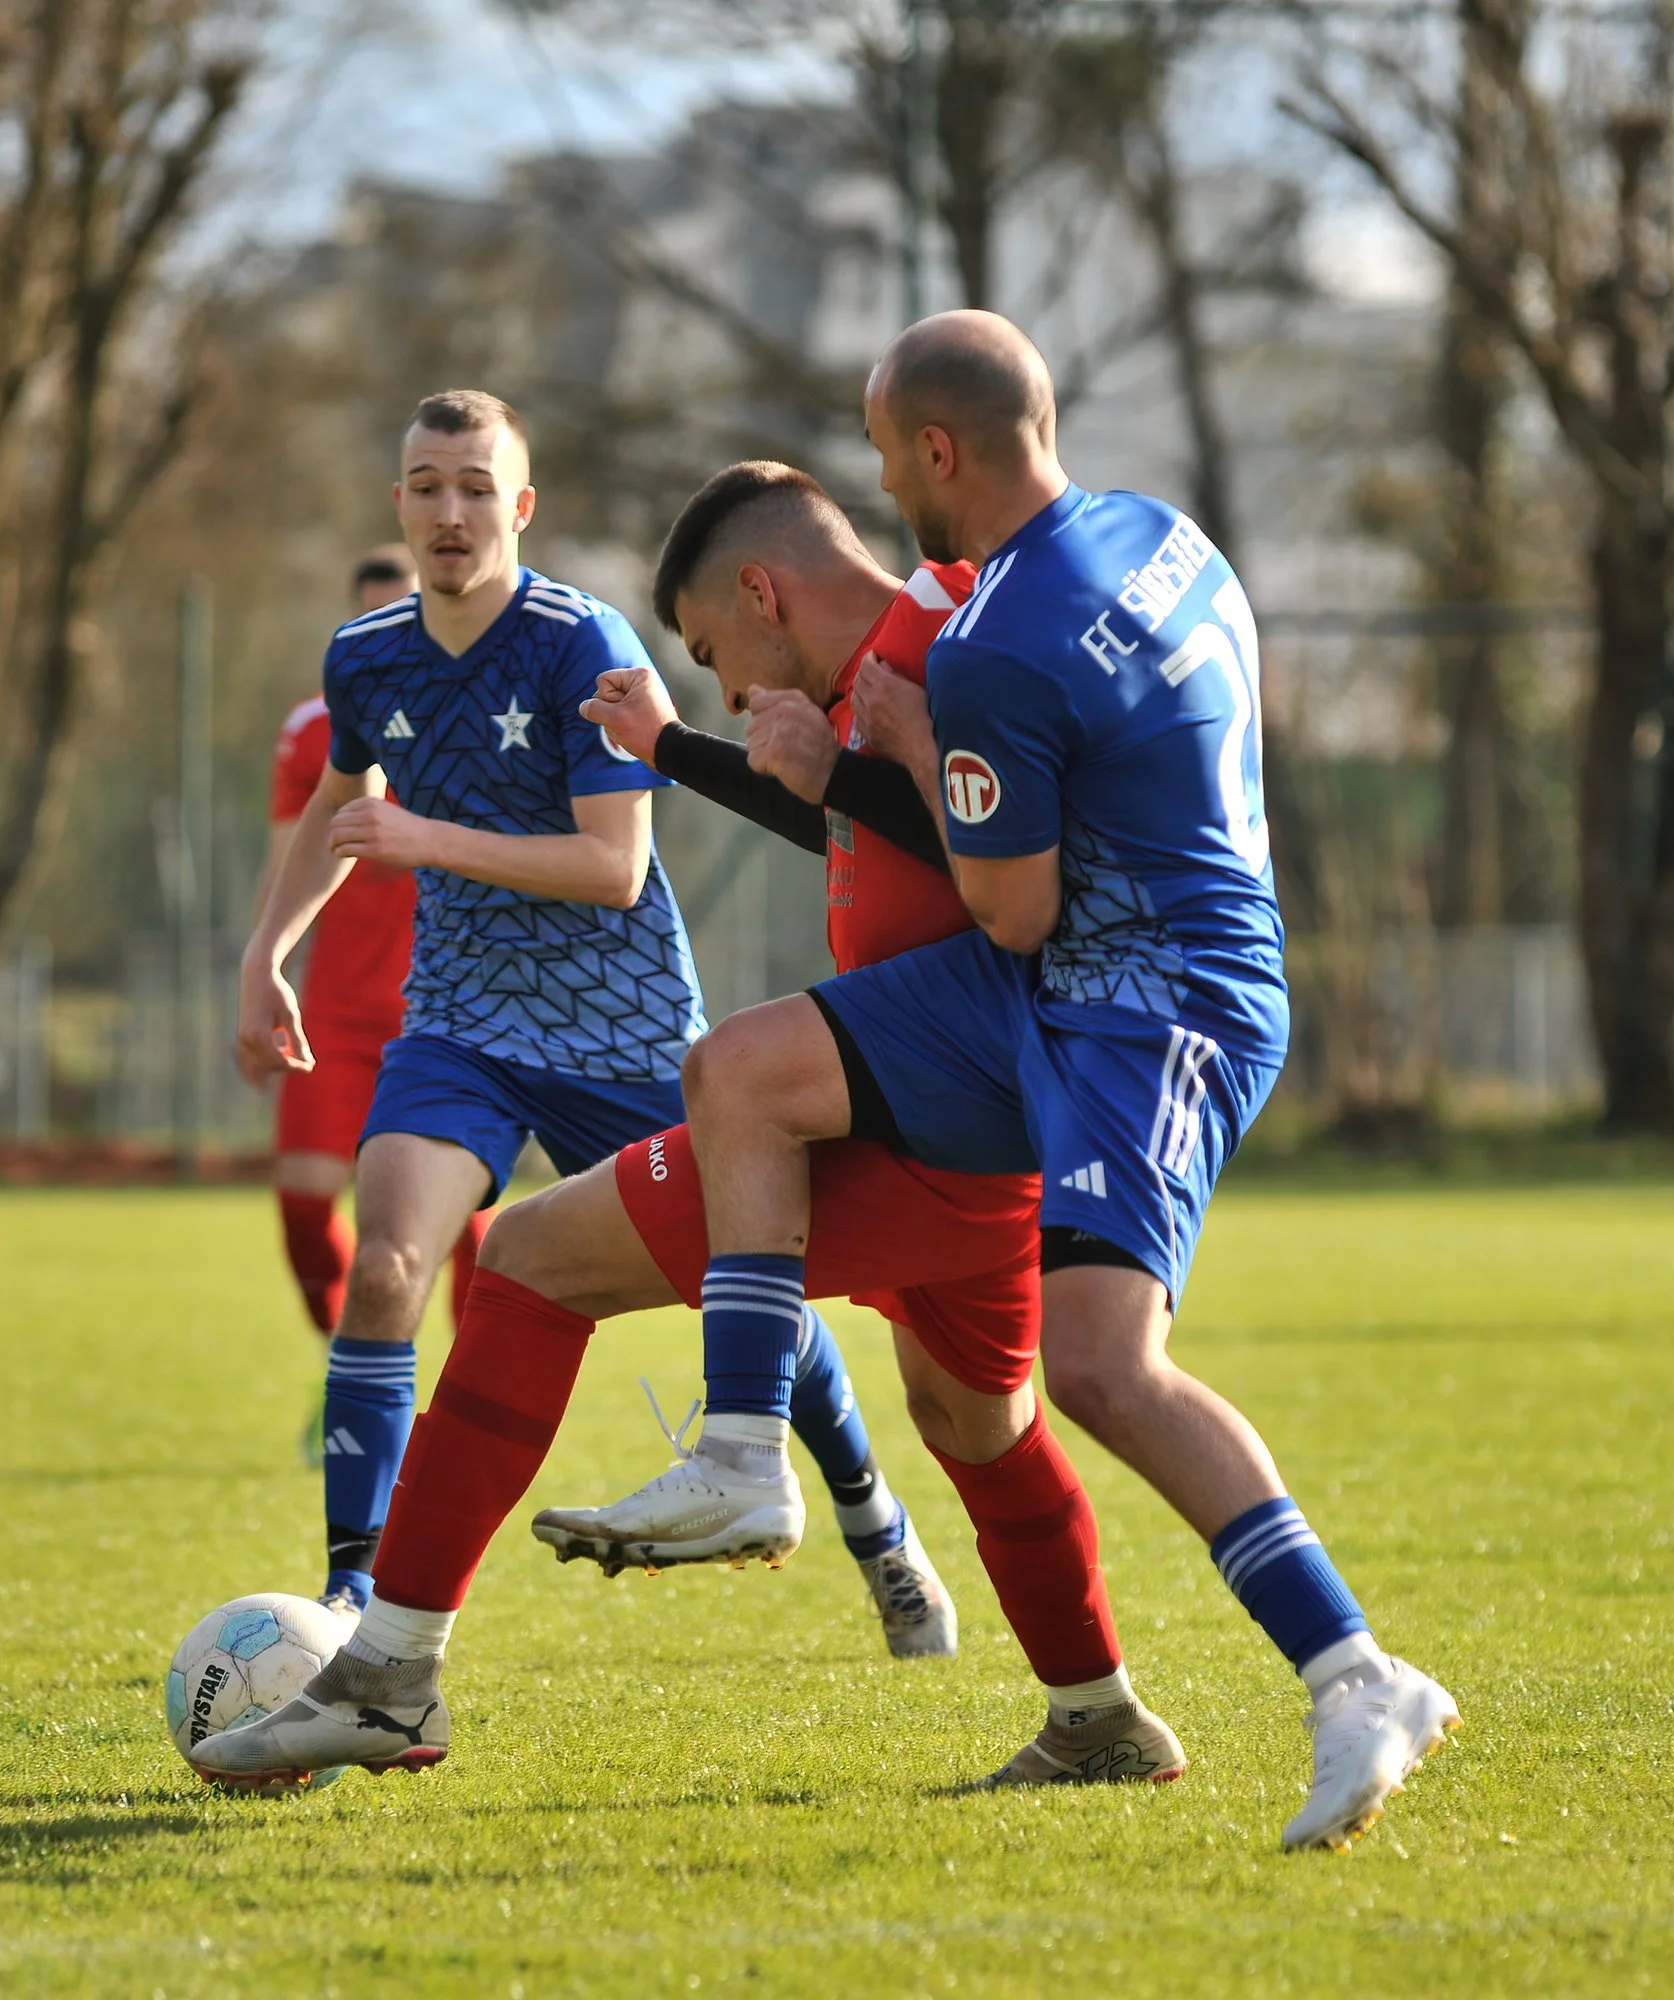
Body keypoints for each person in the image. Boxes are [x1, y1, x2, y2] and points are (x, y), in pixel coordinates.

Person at [555, 315, 1460, 1853]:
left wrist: (900, 747)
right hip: (1089, 983)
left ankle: (1357, 1674)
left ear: (937, 450)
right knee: (754, 1086)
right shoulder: (1164, 538)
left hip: (1147, 1005)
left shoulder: (987, 649)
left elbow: (1012, 909)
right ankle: (756, 1459)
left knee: (1102, 1366)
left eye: (885, 448)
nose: (882, 484)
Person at [187, 461, 1186, 1793]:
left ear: (762, 594)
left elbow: (1009, 872)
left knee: (537, 1258)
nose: (722, 688)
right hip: (957, 1124)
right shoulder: (909, 656)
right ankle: (1100, 1718)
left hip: (905, 1114)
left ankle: (400, 1668)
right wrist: (698, 752)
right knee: (972, 1417)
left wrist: (846, 757)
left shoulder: (938, 654)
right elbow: (899, 827)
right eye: (421, 485)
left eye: (715, 654)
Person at [233, 394, 939, 1644]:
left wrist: (424, 837)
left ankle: (870, 1514)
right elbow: (341, 800)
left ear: (519, 506)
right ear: (398, 502)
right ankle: (350, 1593)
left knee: (748, 1284)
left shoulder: (581, 641)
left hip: (623, 1029)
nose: (449, 510)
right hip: (458, 1022)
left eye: (474, 485)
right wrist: (264, 952)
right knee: (385, 1267)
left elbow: (614, 867)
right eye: (425, 484)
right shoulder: (367, 655)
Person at [258, 548, 485, 1412]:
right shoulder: (315, 728)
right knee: (303, 1206)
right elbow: (284, 861)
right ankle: (349, 1368)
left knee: (466, 1225)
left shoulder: (479, 709)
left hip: (444, 1013)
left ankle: (461, 1399)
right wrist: (262, 972)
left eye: (406, 614)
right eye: (373, 618)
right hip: (336, 1013)